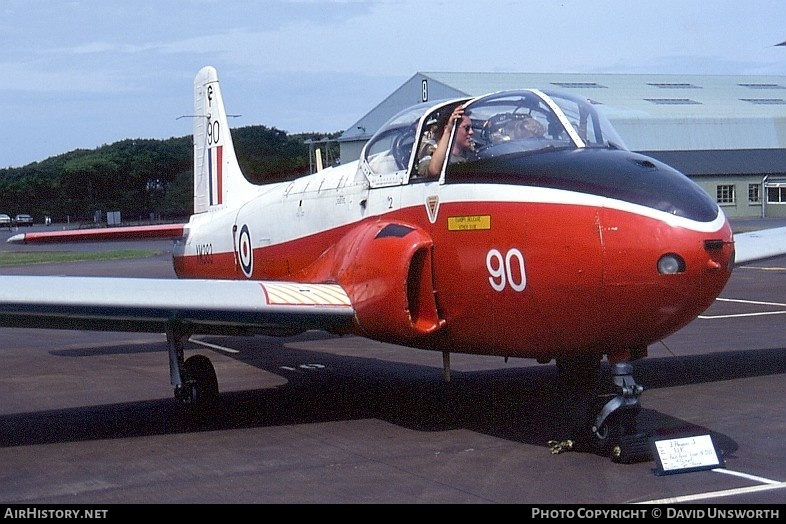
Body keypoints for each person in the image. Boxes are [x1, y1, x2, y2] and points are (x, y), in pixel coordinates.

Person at [418, 105, 476, 178]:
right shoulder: (429, 151)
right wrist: (448, 131)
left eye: (471, 128)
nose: (471, 132)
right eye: (466, 128)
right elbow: (434, 171)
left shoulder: (471, 154)